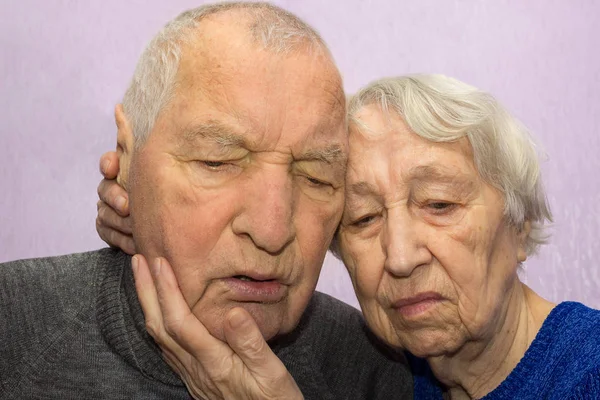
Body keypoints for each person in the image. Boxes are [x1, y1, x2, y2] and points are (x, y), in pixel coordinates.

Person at [0, 3, 413, 399]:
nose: (271, 232)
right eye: (217, 162)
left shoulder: (377, 373)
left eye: (316, 176)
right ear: (125, 157)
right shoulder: (13, 327)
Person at [99, 74, 600, 399]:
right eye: (363, 219)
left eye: (440, 205)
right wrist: (149, 209)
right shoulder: (378, 374)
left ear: (520, 224)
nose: (400, 257)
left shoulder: (588, 371)